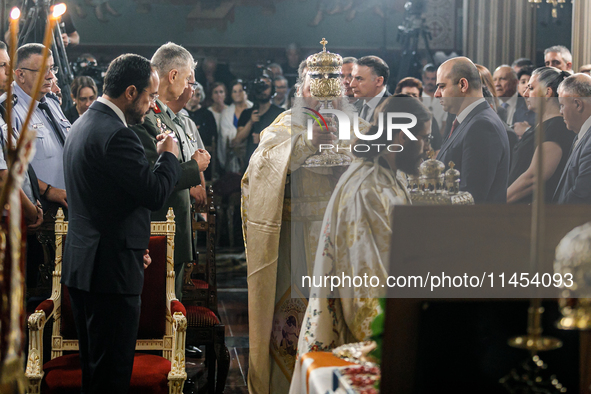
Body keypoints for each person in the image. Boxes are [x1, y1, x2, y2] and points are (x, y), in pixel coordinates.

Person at [242, 65, 368, 394]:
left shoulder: (361, 127)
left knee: (342, 320)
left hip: (346, 245)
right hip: (295, 242)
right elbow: (259, 169)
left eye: (334, 84)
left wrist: (353, 160)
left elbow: (383, 169)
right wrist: (303, 143)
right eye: (316, 84)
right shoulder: (285, 124)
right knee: (292, 325)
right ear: (302, 90)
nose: (326, 93)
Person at [61, 53, 181, 394]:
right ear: (131, 92)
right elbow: (155, 193)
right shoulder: (118, 135)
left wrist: (131, 245)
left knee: (95, 373)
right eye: (151, 96)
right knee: (111, 377)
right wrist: (169, 155)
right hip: (110, 275)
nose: (152, 105)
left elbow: (107, 202)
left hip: (86, 265)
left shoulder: (83, 124)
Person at [292, 95, 431, 364]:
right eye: (424, 138)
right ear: (402, 137)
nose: (427, 148)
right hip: (361, 345)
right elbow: (365, 285)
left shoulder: (388, 177)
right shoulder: (367, 189)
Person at [131, 42, 211, 300]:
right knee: (159, 304)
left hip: (173, 224)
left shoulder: (163, 117)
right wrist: (194, 167)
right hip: (158, 224)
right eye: (188, 78)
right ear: (173, 75)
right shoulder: (148, 117)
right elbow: (156, 172)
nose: (191, 85)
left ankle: (174, 342)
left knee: (171, 300)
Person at [435, 57, 510, 203]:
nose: (436, 94)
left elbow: (471, 196)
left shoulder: (481, 125)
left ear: (463, 85)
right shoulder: (471, 121)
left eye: (442, 86)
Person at [11, 43, 70, 211]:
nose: (50, 76)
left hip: (68, 204)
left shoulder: (51, 102)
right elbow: (8, 168)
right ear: (21, 75)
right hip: (38, 208)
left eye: (52, 68)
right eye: (42, 70)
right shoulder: (8, 110)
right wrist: (48, 191)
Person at [507, 67, 574, 204]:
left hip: (532, 214)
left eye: (531, 88)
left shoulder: (556, 128)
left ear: (547, 92)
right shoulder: (543, 126)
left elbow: (534, 178)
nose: (525, 94)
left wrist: (499, 202)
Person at [554, 73, 591, 204]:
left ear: (577, 104)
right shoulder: (582, 134)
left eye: (562, 105)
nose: (560, 111)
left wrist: (554, 217)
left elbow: (582, 193)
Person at [233, 74, 284, 166]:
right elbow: (238, 140)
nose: (263, 90)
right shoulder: (246, 114)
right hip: (251, 164)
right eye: (259, 87)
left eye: (266, 87)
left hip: (273, 164)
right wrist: (250, 122)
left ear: (272, 89)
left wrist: (264, 139)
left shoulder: (280, 113)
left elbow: (286, 139)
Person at [394, 77, 442, 152]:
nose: (411, 98)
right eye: (407, 95)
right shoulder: (387, 118)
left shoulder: (429, 119)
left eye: (414, 95)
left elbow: (437, 148)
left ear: (420, 99)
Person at [219, 79, 253, 173]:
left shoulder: (253, 108)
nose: (237, 94)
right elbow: (225, 135)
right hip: (232, 154)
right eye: (234, 91)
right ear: (231, 94)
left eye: (240, 90)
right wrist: (242, 135)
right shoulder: (226, 113)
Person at [350, 55, 391, 121]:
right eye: (352, 78)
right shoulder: (352, 108)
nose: (352, 84)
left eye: (359, 79)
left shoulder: (397, 110)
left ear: (379, 81)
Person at [422, 63, 447, 130]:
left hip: (439, 137)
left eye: (433, 79)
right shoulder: (418, 95)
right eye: (428, 78)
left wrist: (439, 140)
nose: (430, 82)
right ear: (423, 78)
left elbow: (444, 124)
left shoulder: (443, 97)